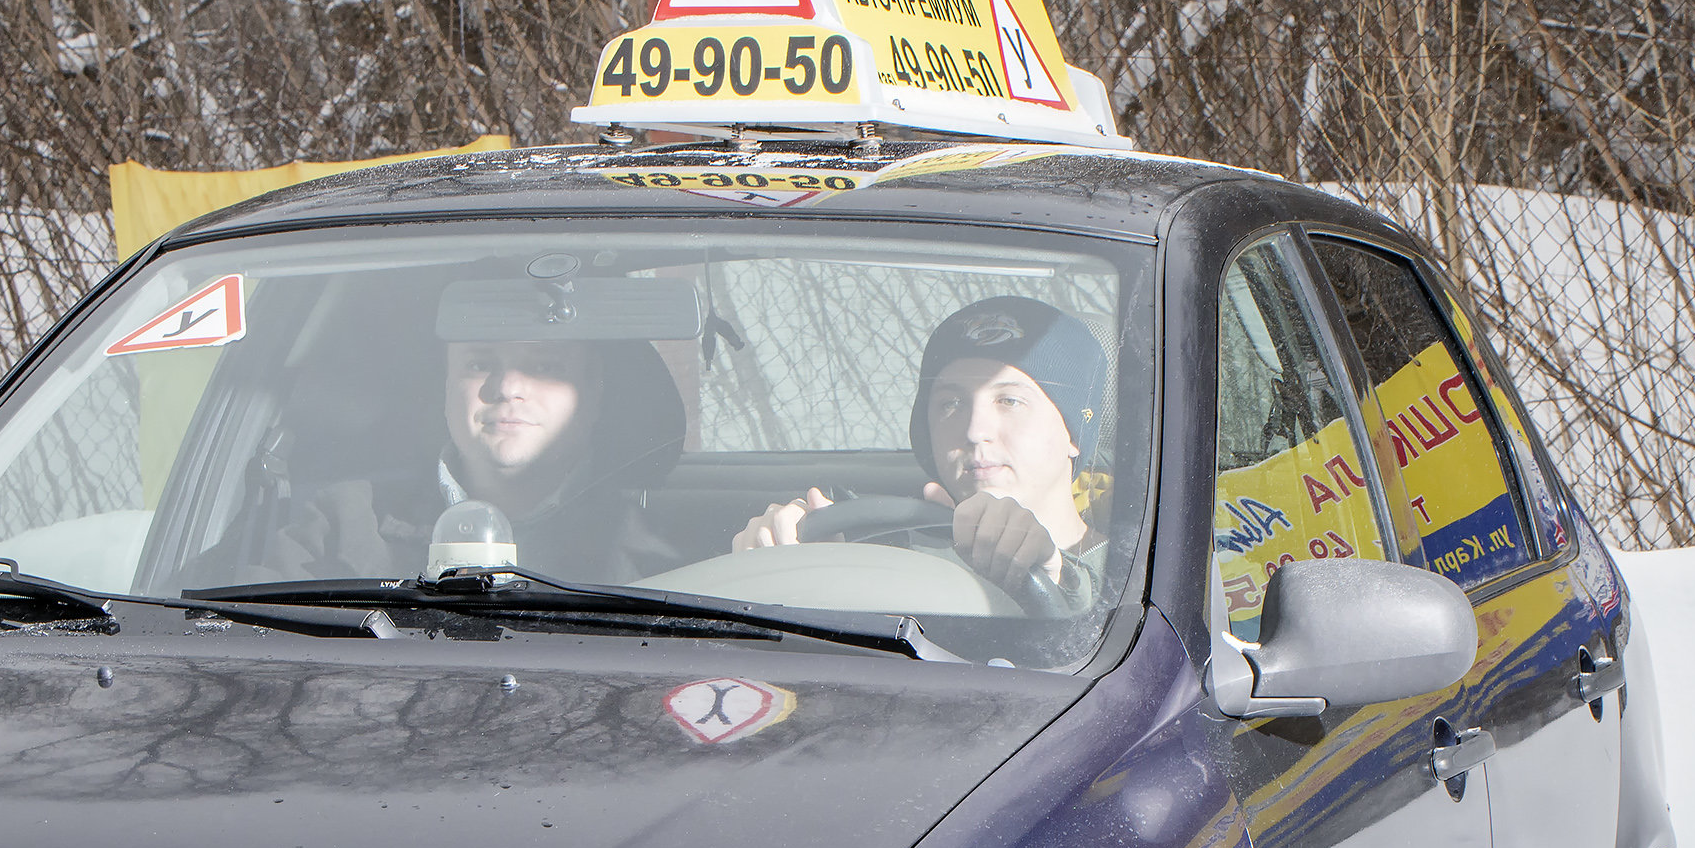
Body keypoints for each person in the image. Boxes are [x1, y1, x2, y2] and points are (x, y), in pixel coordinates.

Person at [245, 278, 682, 584]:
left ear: (593, 394)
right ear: (447, 387)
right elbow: (245, 645)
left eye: (545, 366)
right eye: (479, 364)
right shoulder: (344, 518)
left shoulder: (669, 554)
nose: (508, 387)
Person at [733, 296, 1110, 615]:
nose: (975, 429)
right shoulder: (889, 553)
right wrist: (777, 557)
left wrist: (1059, 582)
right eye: (951, 403)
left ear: (1073, 433)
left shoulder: (1141, 571)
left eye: (1009, 400)